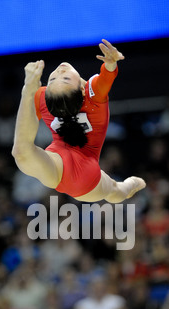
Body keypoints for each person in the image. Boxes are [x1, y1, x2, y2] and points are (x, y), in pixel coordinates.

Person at [12, 39, 146, 203]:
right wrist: (28, 92)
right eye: (61, 79)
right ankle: (127, 186)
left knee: (116, 191)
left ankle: (129, 185)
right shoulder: (88, 96)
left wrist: (29, 93)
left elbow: (106, 78)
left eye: (58, 80)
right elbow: (105, 78)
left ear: (83, 90)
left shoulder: (44, 97)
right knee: (113, 191)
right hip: (62, 162)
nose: (59, 73)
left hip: (77, 169)